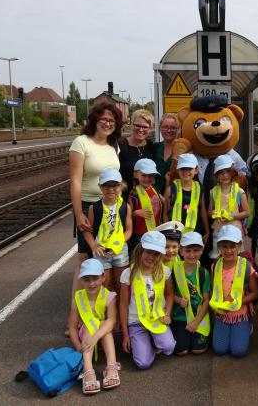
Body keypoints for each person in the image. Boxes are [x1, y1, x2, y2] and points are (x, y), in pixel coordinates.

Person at [68, 102, 123, 336]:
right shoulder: (81, 143)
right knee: (84, 262)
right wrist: (79, 212)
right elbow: (76, 181)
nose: (108, 123)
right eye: (104, 119)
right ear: (94, 120)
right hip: (90, 205)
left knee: (105, 261)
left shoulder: (114, 147)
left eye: (112, 120)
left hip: (110, 207)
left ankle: (102, 314)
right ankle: (74, 320)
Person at [119, 231, 176, 369]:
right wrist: (125, 334)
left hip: (156, 318)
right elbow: (123, 304)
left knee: (169, 348)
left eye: (156, 254)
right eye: (148, 252)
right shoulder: (128, 274)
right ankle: (145, 341)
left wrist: (167, 313)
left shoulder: (164, 271)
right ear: (141, 250)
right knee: (143, 363)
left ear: (161, 255)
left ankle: (152, 340)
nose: (151, 257)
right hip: (137, 323)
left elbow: (169, 294)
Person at [69, 259, 120, 395]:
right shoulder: (77, 298)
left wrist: (96, 336)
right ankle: (88, 370)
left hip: (103, 336)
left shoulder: (109, 296)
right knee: (87, 326)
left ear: (103, 277)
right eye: (86, 279)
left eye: (95, 278)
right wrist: (77, 346)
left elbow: (112, 320)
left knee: (103, 324)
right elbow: (72, 327)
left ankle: (111, 366)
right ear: (81, 280)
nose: (91, 283)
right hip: (85, 338)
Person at [209, 225, 258, 358]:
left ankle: (246, 326)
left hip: (240, 313)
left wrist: (236, 303)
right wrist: (218, 305)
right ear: (219, 247)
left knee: (238, 351)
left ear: (239, 246)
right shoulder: (215, 265)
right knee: (219, 349)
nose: (229, 250)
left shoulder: (246, 266)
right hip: (222, 313)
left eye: (233, 246)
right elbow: (213, 289)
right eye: (224, 246)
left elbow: (255, 293)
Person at [82, 168, 132, 299]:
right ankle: (109, 313)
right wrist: (94, 246)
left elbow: (128, 230)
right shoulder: (95, 208)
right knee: (106, 284)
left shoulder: (125, 207)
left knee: (121, 283)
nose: (111, 189)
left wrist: (119, 243)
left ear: (120, 185)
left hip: (119, 250)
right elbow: (87, 231)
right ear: (100, 187)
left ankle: (120, 312)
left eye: (114, 185)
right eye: (106, 185)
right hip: (101, 251)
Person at [170, 232, 212, 355]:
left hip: (198, 315)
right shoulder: (174, 271)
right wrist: (178, 300)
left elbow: (206, 300)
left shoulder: (204, 273)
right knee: (181, 351)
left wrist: (196, 322)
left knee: (197, 350)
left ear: (202, 250)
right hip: (180, 316)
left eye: (196, 250)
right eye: (188, 251)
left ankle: (201, 336)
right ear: (181, 251)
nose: (192, 254)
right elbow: (168, 294)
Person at [207, 154, 250, 262]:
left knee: (236, 257)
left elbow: (247, 212)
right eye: (221, 172)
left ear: (232, 173)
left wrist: (231, 216)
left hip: (235, 228)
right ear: (216, 175)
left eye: (227, 172)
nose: (224, 175)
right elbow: (209, 212)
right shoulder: (213, 192)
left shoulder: (239, 191)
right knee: (218, 256)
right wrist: (215, 214)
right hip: (218, 228)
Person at [163, 153, 210, 244]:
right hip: (175, 232)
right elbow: (165, 213)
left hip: (195, 231)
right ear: (178, 170)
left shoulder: (199, 187)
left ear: (196, 170)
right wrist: (167, 233)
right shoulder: (171, 189)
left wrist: (207, 231)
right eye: (183, 169)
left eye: (189, 169)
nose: (186, 172)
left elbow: (202, 210)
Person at [128, 158, 163, 252]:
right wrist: (135, 213)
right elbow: (127, 217)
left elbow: (165, 202)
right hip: (140, 236)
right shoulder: (133, 194)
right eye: (144, 175)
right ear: (136, 175)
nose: (147, 179)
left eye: (150, 175)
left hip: (156, 233)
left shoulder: (156, 189)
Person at [119, 109, 156, 193]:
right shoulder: (121, 145)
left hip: (147, 197)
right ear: (132, 125)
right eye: (137, 126)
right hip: (126, 197)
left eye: (145, 127)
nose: (141, 129)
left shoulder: (151, 147)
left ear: (150, 129)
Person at [154, 113, 181, 194]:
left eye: (173, 127)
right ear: (160, 129)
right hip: (155, 196)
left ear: (178, 129)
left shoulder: (183, 150)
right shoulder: (155, 148)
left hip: (176, 197)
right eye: (165, 127)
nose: (169, 130)